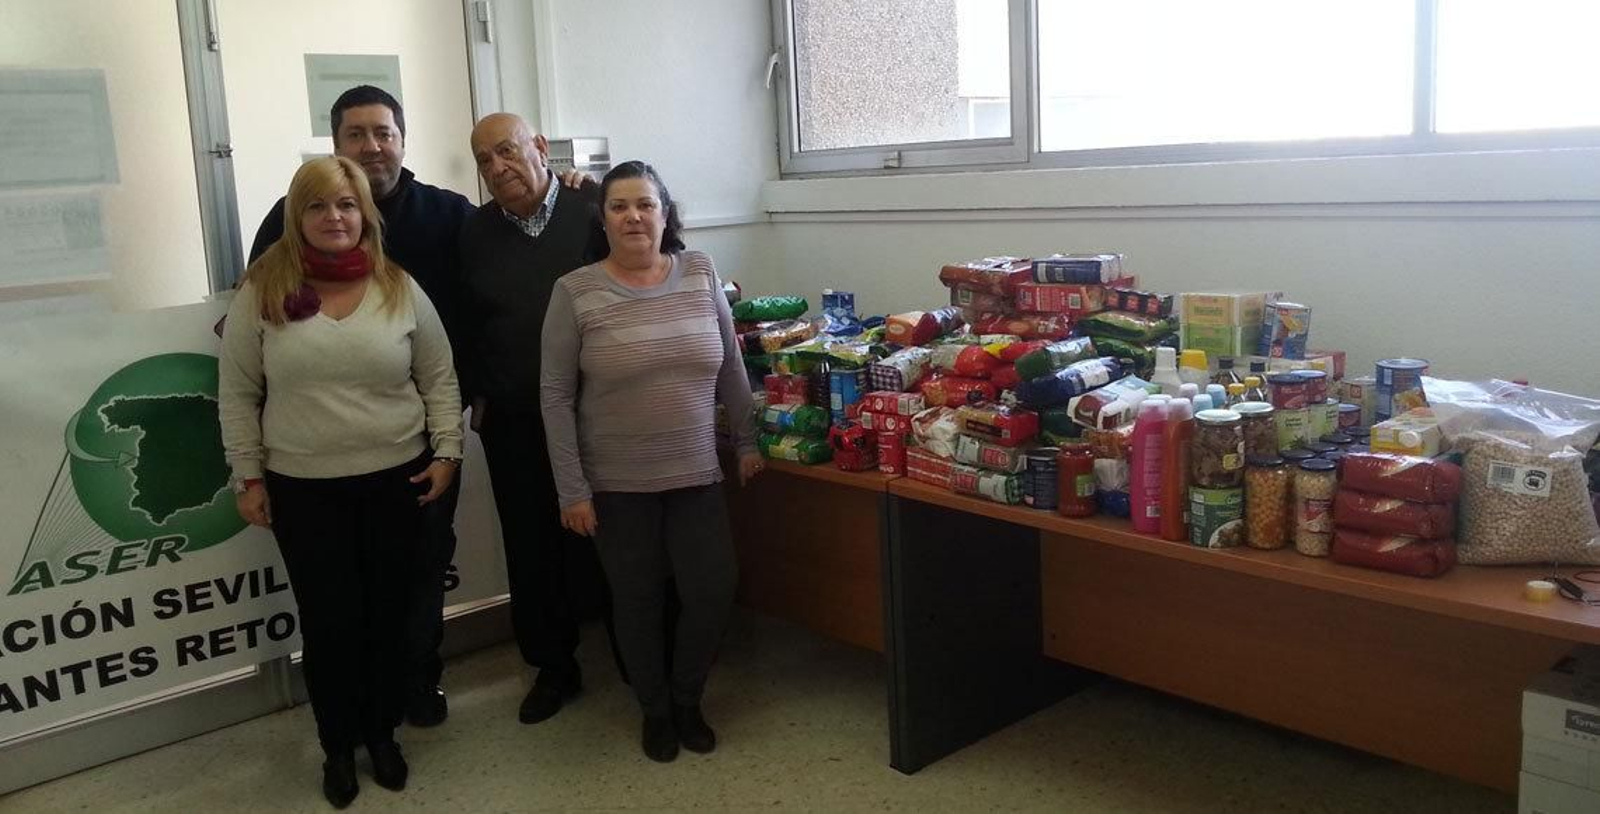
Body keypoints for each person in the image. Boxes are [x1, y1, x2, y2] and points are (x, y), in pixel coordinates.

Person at [219, 156, 463, 808]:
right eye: (319, 206)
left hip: (396, 481)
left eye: (347, 206)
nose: (335, 218)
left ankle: (381, 735)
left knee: (388, 618)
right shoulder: (264, 290)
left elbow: (439, 377)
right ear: (298, 217)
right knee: (329, 626)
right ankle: (337, 746)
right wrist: (247, 475)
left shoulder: (399, 287)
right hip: (303, 488)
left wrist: (447, 453)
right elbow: (238, 391)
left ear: (366, 215)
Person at [248, 85, 474, 728]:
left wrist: (568, 190)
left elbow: (492, 286)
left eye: (384, 132)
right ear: (336, 142)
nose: (372, 146)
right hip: (314, 454)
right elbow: (253, 317)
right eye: (356, 134)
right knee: (342, 590)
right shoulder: (287, 221)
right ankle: (356, 713)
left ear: (402, 139)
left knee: (423, 564)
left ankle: (415, 684)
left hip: (420, 436)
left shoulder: (449, 214)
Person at [539, 160, 762, 763]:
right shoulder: (575, 291)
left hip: (695, 472)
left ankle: (688, 697)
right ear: (604, 219)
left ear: (666, 214)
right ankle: (656, 710)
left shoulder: (700, 271)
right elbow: (555, 397)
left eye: (646, 204)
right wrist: (571, 491)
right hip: (616, 484)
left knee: (713, 589)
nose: (634, 216)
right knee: (635, 601)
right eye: (619, 206)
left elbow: (731, 365)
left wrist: (746, 440)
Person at [458, 112, 613, 725]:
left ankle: (637, 655)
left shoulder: (594, 208)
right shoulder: (473, 232)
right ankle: (554, 668)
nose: (498, 168)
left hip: (597, 414)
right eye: (484, 161)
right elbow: (464, 319)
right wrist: (477, 395)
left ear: (540, 148)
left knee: (613, 536)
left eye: (507, 151)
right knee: (530, 546)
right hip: (516, 419)